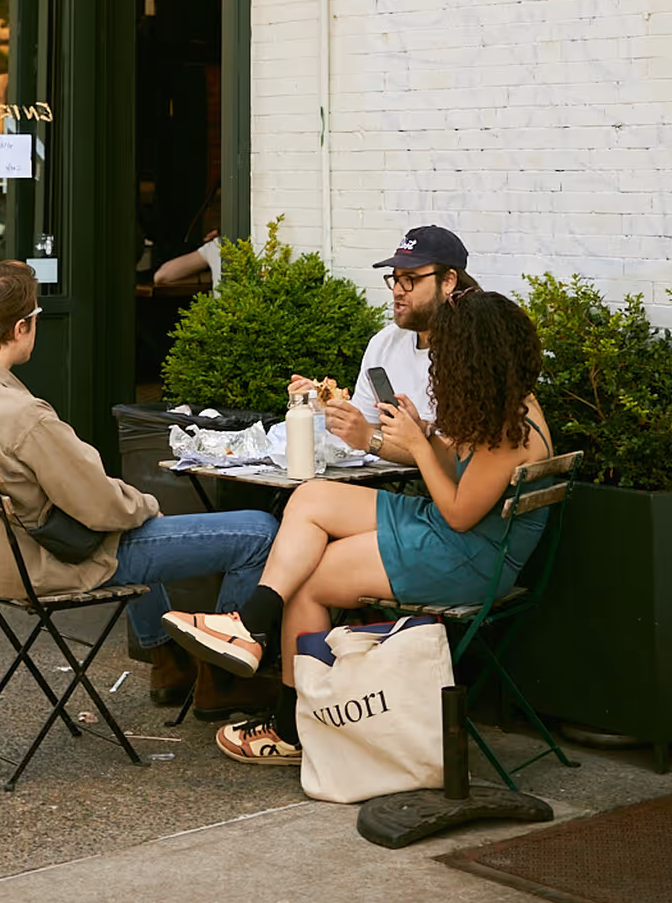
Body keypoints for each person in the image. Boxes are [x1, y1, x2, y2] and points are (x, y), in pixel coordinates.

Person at [161, 273, 553, 767]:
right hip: (451, 532)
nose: (439, 362)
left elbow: (457, 513)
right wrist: (418, 432)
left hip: (467, 557)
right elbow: (455, 471)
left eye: (447, 353)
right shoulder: (501, 405)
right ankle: (248, 624)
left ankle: (289, 731)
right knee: (312, 496)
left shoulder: (509, 430)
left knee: (308, 582)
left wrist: (416, 444)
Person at [0, 259, 281, 720]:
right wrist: (147, 506)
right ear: (21, 327)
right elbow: (102, 508)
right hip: (60, 564)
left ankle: (168, 664)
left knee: (136, 524)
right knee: (259, 531)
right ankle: (220, 678)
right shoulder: (25, 416)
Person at [289, 224, 466, 462]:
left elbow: (461, 458)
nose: (398, 292)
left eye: (410, 280)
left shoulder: (473, 351)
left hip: (445, 493)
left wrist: (370, 438)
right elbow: (366, 431)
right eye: (395, 279)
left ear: (448, 282)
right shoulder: (384, 343)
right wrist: (325, 404)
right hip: (392, 483)